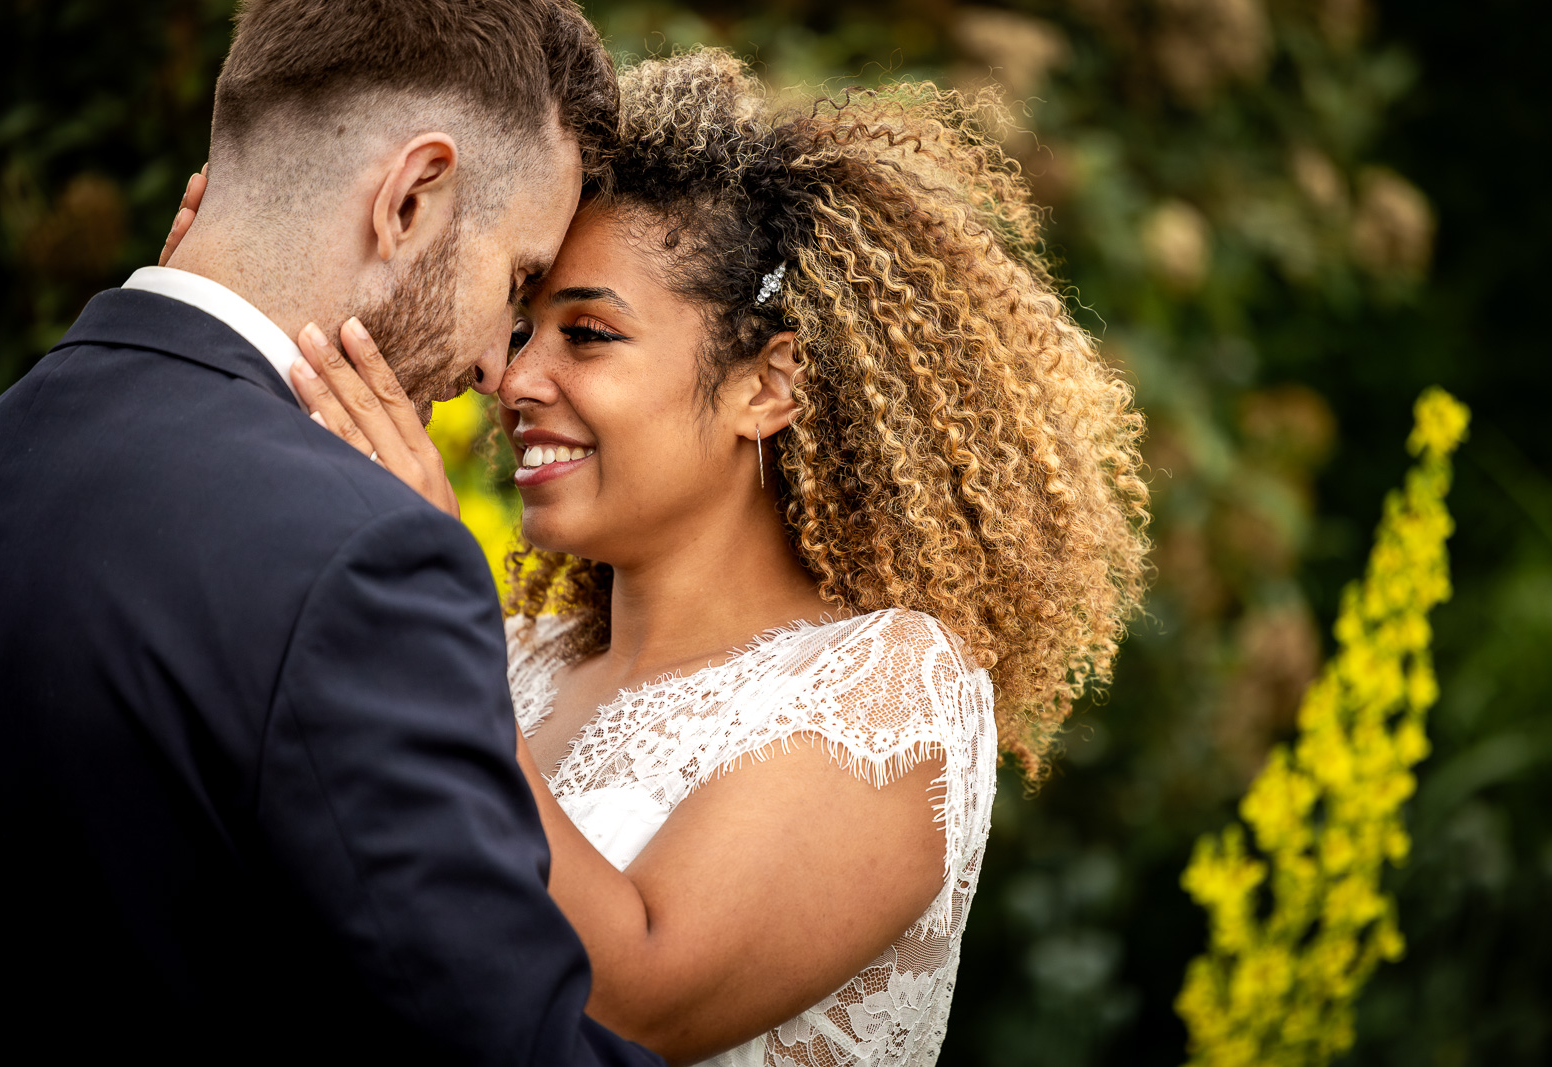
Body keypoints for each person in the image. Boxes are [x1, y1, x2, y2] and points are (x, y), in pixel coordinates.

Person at [291, 50, 1152, 1066]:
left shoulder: (883, 689)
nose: (514, 377)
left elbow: (637, 1003)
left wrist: (429, 615)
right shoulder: (513, 654)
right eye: (524, 328)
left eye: (590, 333)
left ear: (766, 387)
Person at [0, 2, 660, 1063]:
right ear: (410, 199)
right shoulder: (364, 557)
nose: (499, 363)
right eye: (518, 283)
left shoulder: (17, 437)